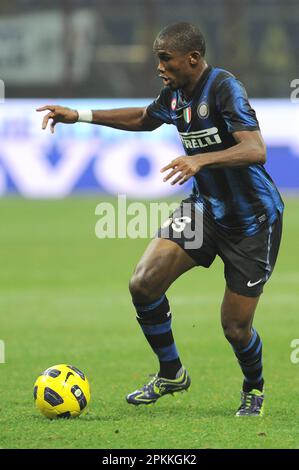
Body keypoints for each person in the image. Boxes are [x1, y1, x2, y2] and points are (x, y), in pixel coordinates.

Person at [37, 22, 284, 416]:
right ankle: (171, 373)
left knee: (235, 328)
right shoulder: (175, 94)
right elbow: (145, 118)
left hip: (253, 222)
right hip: (206, 209)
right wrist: (79, 115)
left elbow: (255, 150)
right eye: (158, 59)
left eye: (165, 59)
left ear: (193, 58)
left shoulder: (223, 87)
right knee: (144, 283)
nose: (159, 67)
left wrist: (198, 159)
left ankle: (254, 387)